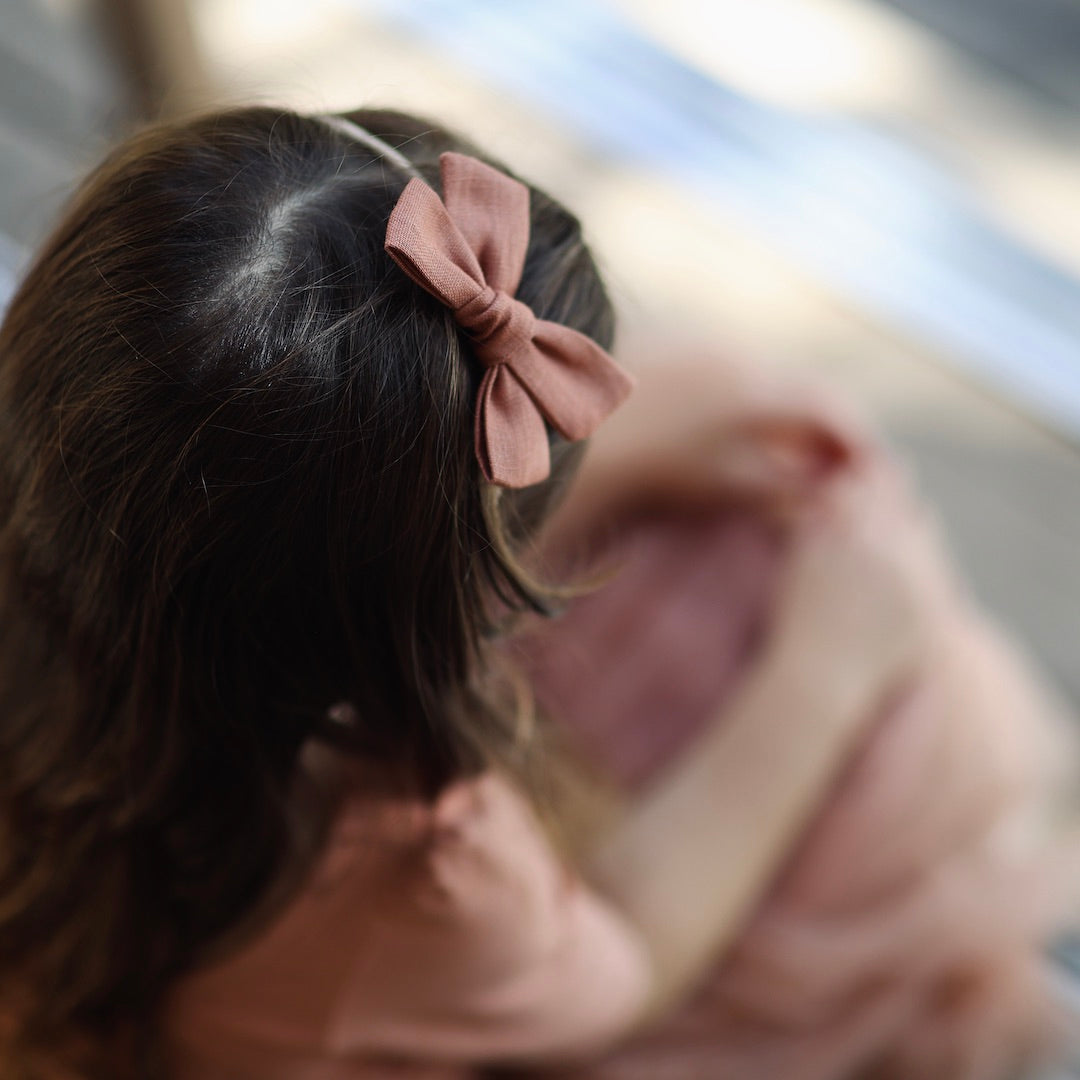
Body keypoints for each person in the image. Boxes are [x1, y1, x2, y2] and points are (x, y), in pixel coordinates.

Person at [0, 106, 1073, 1080]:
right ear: (437, 612)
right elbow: (633, 958)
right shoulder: (416, 871)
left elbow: (218, 514)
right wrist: (824, 673)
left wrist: (609, 456)